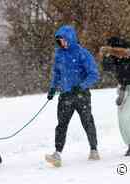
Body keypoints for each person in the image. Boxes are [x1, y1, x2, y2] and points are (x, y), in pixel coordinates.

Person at [45, 25, 100, 167]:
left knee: (87, 122)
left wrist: (81, 86)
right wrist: (52, 88)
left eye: (62, 40)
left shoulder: (83, 53)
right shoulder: (59, 54)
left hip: (82, 95)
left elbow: (94, 74)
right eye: (58, 41)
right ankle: (57, 154)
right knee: (61, 125)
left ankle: (94, 149)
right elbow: (57, 74)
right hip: (65, 95)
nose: (60, 43)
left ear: (70, 38)